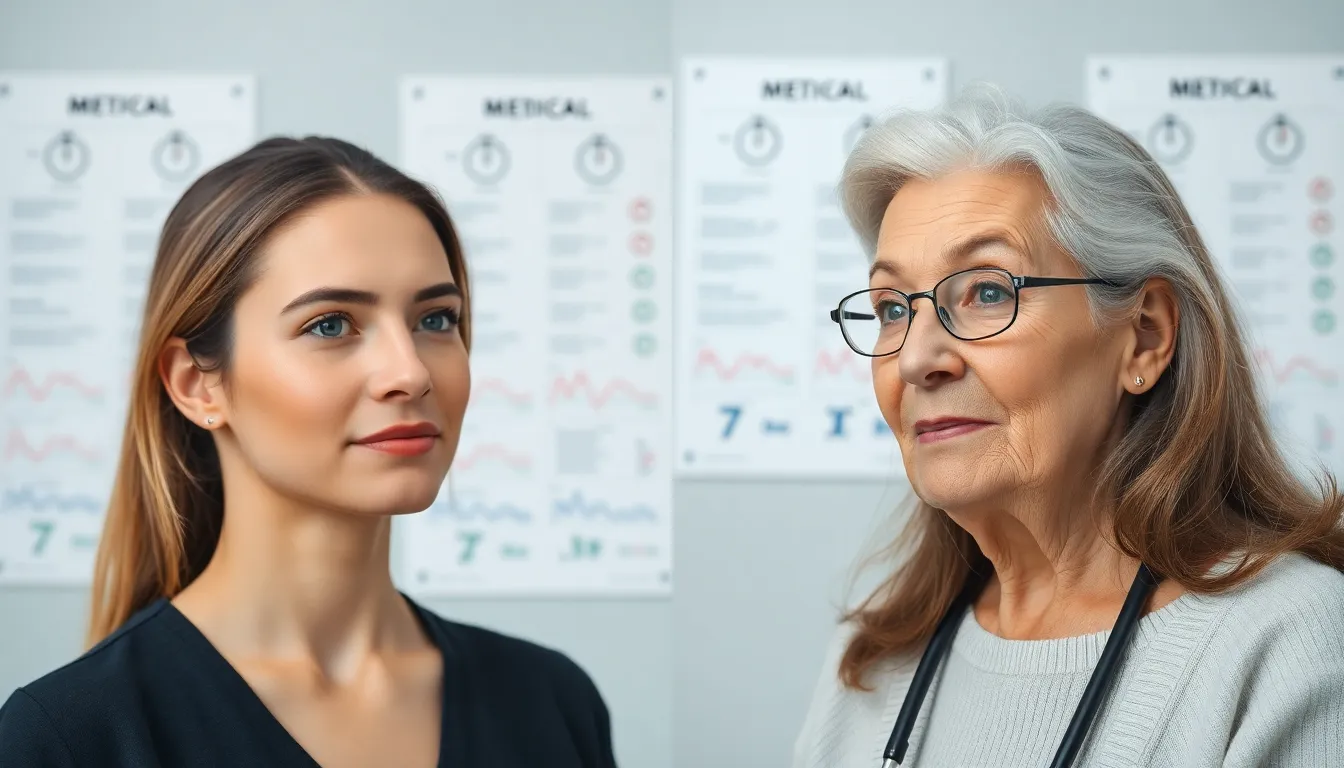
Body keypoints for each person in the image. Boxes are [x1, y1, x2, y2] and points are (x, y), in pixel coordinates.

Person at [0, 137, 617, 768]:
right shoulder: (73, 738)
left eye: (435, 320)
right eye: (330, 324)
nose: (409, 372)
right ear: (196, 383)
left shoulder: (552, 703)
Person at [794, 85, 1344, 768]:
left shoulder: (1287, 640)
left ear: (1143, 337)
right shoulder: (873, 656)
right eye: (892, 308)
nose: (915, 359)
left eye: (988, 291)